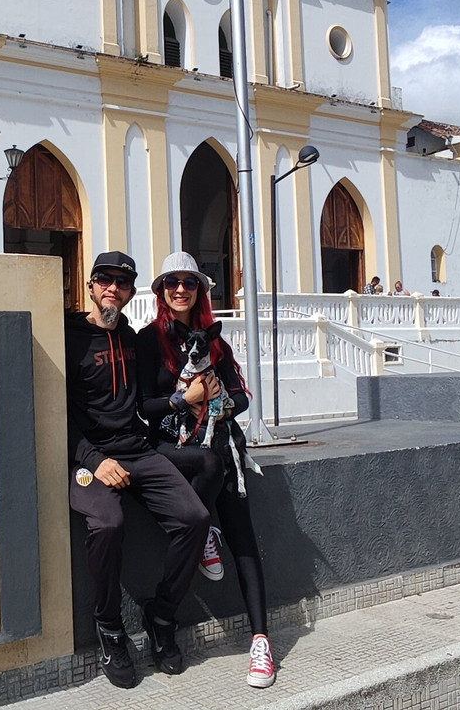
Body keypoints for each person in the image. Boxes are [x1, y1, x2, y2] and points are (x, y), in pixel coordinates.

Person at [66, 251, 211, 689]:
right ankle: (110, 626)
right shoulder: (68, 336)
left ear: (131, 293)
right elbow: (56, 413)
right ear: (90, 285)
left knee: (195, 518)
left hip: (139, 451)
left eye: (123, 283)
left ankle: (161, 613)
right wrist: (96, 460)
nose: (113, 288)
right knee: (108, 523)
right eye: (105, 280)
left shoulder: (131, 337)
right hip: (87, 458)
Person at [136, 252, 276, 689]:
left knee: (244, 537)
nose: (181, 289)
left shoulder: (215, 341)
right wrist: (185, 398)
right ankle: (202, 534)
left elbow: (243, 397)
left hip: (219, 446)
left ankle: (261, 640)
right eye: (172, 282)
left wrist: (218, 400)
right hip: (172, 450)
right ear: (161, 289)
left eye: (190, 283)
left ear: (200, 291)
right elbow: (144, 407)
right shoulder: (147, 341)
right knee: (208, 463)